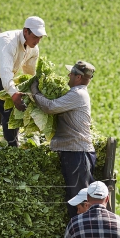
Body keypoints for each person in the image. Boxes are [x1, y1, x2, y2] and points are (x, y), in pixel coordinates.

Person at [29, 61, 96, 218]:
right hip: (75, 151)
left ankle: (81, 234)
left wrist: (35, 91)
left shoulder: (77, 94)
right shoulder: (76, 93)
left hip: (78, 152)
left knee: (80, 199)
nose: (68, 76)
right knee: (76, 197)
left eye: (71, 74)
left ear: (78, 77)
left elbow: (51, 107)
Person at [0, 16, 47, 147]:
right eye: (35, 36)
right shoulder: (9, 43)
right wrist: (14, 94)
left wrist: (33, 89)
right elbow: (5, 71)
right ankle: (12, 146)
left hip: (4, 73)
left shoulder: (33, 48)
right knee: (10, 107)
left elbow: (29, 71)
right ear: (26, 31)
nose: (37, 41)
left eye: (40, 37)